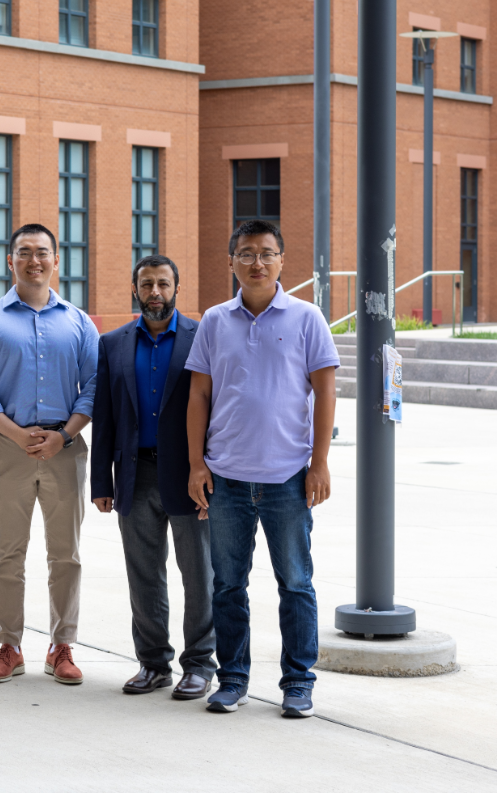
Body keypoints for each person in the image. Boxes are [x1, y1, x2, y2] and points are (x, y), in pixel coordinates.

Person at [186, 219, 339, 718]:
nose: (256, 262)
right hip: (226, 478)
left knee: (295, 582)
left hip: (289, 478)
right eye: (246, 254)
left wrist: (320, 464)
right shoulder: (214, 320)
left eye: (266, 253)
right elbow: (199, 396)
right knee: (228, 585)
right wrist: (196, 465)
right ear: (231, 261)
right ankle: (231, 679)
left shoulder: (306, 317)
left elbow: (326, 391)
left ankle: (298, 682)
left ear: (281, 261)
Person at [0, 223, 97, 685]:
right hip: (7, 448)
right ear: (10, 260)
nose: (33, 260)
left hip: (65, 448)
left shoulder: (78, 323)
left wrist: (66, 436)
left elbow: (94, 387)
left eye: (42, 252)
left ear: (56, 261)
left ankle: (62, 646)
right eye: (24, 252)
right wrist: (16, 435)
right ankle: (10, 646)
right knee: (8, 552)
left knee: (66, 555)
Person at [91, 255, 215, 700]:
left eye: (163, 284)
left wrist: (210, 471)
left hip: (189, 476)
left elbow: (215, 410)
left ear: (177, 288)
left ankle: (200, 665)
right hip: (134, 474)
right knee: (143, 574)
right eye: (147, 284)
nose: (155, 292)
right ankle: (153, 664)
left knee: (198, 572)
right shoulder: (113, 344)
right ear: (135, 288)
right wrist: (101, 483)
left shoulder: (203, 337)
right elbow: (103, 416)